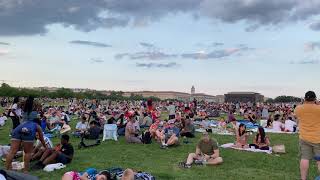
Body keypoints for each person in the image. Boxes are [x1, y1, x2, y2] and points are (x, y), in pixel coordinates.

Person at [6, 97, 47, 173]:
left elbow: (20, 104)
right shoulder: (37, 124)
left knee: (12, 151)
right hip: (29, 129)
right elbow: (41, 138)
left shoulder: (23, 108)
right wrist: (45, 146)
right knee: (28, 152)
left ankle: (7, 169)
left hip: (19, 127)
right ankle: (25, 170)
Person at [295, 91, 320, 180]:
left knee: (305, 158)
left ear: (305, 99)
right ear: (315, 99)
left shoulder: (298, 108)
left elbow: (297, 115)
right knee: (319, 160)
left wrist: (303, 103)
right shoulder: (318, 108)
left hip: (304, 137)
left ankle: (303, 178)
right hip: (318, 138)